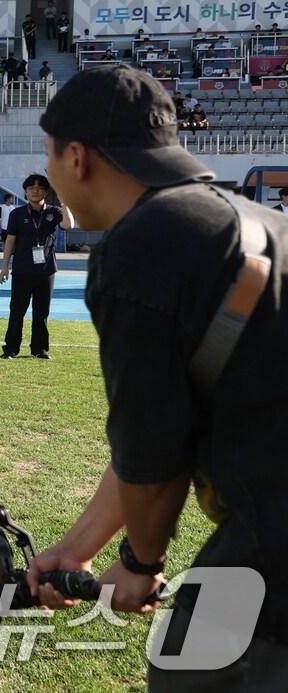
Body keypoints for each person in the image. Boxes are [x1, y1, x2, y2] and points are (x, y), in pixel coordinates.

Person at [27, 64, 288, 689]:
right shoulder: (255, 223)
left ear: (77, 157)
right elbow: (170, 421)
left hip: (275, 531)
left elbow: (153, 446)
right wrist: (78, 548)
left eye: (50, 156)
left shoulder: (142, 243)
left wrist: (141, 561)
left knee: (190, 670)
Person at [0, 173, 72, 359]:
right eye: (31, 188)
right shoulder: (17, 214)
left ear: (46, 192)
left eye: (39, 188)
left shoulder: (54, 212)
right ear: (25, 191)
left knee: (41, 312)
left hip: (46, 271)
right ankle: (11, 349)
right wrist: (5, 266)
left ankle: (39, 349)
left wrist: (64, 202)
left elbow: (68, 225)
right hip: (22, 269)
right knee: (17, 311)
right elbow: (10, 240)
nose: (35, 191)